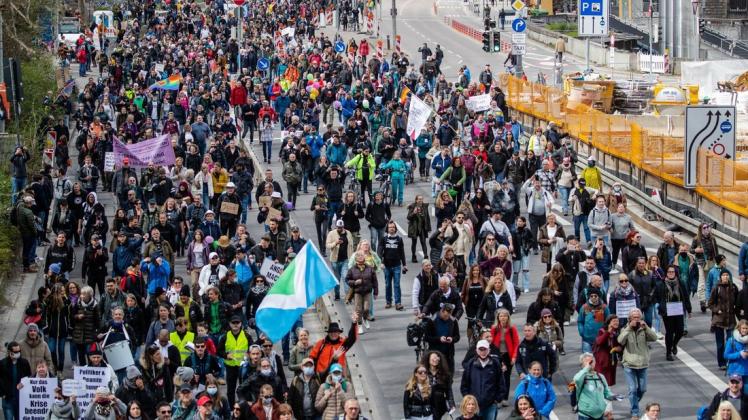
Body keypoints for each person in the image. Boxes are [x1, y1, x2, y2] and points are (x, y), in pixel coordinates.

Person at [618, 308, 658, 418]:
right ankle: (635, 412)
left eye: (638, 317)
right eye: (634, 317)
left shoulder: (643, 329)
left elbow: (654, 338)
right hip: (629, 364)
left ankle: (633, 403)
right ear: (629, 318)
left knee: (642, 389)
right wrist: (629, 328)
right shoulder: (625, 329)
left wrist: (647, 328)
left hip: (643, 364)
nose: (636, 319)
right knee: (632, 389)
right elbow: (620, 340)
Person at [460, 339, 505, 420]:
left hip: (491, 405)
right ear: (476, 350)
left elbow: (501, 384)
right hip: (474, 405)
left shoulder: (495, 364)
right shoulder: (471, 364)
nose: (483, 352)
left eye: (485, 349)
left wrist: (497, 399)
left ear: (489, 350)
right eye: (480, 349)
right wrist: (468, 399)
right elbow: (464, 384)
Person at [309, 313, 359, 379]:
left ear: (339, 333)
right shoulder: (321, 344)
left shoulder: (342, 345)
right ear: (328, 333)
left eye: (335, 332)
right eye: (331, 332)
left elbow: (352, 338)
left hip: (337, 377)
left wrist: (354, 323)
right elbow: (311, 357)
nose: (333, 334)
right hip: (321, 377)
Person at [659, 264, 691, 361]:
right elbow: (659, 296)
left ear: (675, 273)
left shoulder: (680, 282)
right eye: (669, 272)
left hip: (678, 309)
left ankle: (674, 344)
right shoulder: (662, 283)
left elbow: (685, 296)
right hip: (667, 311)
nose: (671, 273)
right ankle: (668, 352)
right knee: (669, 332)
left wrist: (689, 309)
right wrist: (661, 307)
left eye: (672, 272)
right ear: (666, 273)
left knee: (680, 331)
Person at [710, 268, 740, 370]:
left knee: (730, 342)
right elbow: (710, 304)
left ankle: (729, 362)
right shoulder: (716, 288)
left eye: (727, 275)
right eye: (724, 275)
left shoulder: (734, 288)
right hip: (719, 319)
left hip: (730, 319)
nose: (726, 277)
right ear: (721, 277)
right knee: (720, 344)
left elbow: (737, 302)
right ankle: (721, 363)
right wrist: (717, 309)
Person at [573, 353, 614, 420]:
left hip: (600, 415)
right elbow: (576, 379)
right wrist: (586, 368)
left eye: (592, 361)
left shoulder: (600, 376)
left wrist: (614, 396)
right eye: (587, 361)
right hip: (585, 415)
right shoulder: (581, 377)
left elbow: (607, 393)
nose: (590, 363)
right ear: (582, 364)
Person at [346, 252, 378, 335]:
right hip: (357, 292)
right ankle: (359, 325)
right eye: (359, 256)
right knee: (358, 309)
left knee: (367, 308)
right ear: (356, 258)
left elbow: (375, 281)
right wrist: (355, 282)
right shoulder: (352, 269)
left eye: (362, 256)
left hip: (367, 291)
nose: (360, 257)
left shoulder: (370, 268)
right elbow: (347, 280)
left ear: (364, 258)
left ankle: (365, 318)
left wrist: (376, 292)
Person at [378, 221, 407, 311]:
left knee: (397, 284)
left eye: (393, 227)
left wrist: (404, 265)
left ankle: (398, 303)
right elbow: (379, 251)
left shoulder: (399, 239)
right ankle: (388, 301)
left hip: (397, 266)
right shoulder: (384, 239)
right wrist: (381, 262)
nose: (391, 229)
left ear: (395, 229)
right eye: (390, 227)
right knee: (387, 285)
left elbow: (402, 252)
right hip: (386, 266)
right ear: (387, 229)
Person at [423, 303, 461, 373]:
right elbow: (426, 337)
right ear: (441, 311)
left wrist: (452, 339)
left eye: (448, 316)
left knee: (449, 375)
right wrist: (438, 339)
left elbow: (457, 336)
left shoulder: (453, 321)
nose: (447, 318)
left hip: (448, 353)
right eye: (445, 316)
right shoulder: (432, 321)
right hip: (435, 352)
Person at [0, 341, 31, 420]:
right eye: (16, 352)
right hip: (7, 399)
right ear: (10, 352)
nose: (18, 353)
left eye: (19, 351)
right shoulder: (2, 363)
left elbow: (29, 377)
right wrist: (2, 393)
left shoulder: (24, 363)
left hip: (21, 398)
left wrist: (24, 383)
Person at [577, 289, 610, 353]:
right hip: (587, 339)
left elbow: (608, 320)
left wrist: (606, 332)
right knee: (588, 360)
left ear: (599, 297)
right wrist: (582, 332)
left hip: (601, 338)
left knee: (599, 360)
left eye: (595, 296)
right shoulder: (584, 307)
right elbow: (580, 321)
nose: (593, 297)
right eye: (591, 296)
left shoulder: (604, 307)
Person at [593, 314, 622, 387]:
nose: (616, 323)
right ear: (609, 322)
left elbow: (619, 344)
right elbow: (599, 341)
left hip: (611, 361)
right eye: (614, 321)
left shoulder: (617, 332)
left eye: (617, 321)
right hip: (602, 361)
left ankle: (606, 396)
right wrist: (608, 332)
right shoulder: (602, 331)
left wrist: (619, 348)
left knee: (608, 383)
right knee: (601, 382)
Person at [726, 320, 748, 387]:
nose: (745, 330)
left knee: (746, 393)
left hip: (746, 371)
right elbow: (726, 355)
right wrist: (739, 354)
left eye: (746, 328)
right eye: (743, 328)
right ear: (739, 328)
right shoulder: (731, 340)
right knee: (737, 393)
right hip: (735, 371)